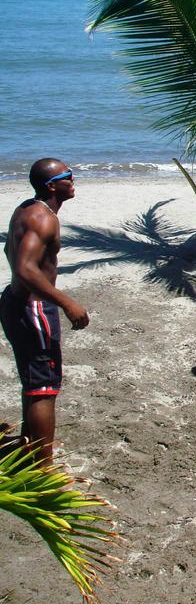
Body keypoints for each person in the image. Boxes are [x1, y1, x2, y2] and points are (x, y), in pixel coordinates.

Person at [1, 159, 89, 465]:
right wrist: (67, 302)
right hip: (32, 308)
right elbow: (25, 267)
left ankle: (30, 448)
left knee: (35, 382)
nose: (73, 179)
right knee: (44, 388)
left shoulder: (27, 209)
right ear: (52, 185)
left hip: (14, 302)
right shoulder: (44, 219)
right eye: (68, 176)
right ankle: (42, 467)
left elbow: (9, 252)